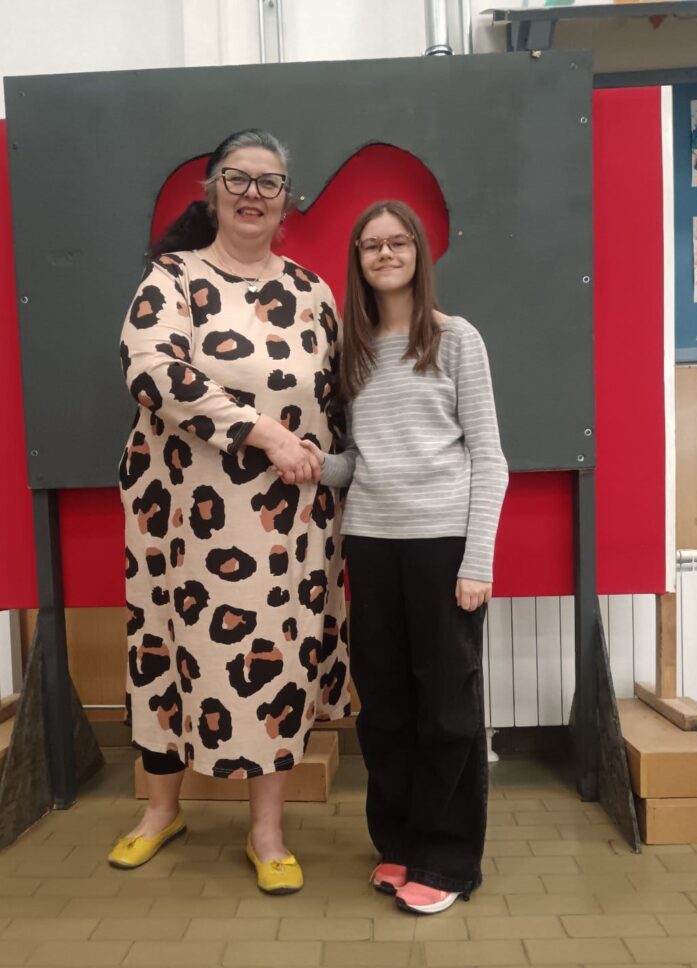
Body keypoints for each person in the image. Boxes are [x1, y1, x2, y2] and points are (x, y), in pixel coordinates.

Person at [108, 129, 351, 894]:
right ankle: (161, 811)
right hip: (179, 520)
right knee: (165, 653)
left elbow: (338, 401)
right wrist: (264, 432)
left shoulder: (313, 293)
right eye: (238, 179)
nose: (253, 194)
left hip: (286, 528)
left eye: (269, 182)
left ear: (287, 200)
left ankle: (267, 831)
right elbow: (151, 369)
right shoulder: (172, 278)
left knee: (274, 667)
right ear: (211, 191)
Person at [294, 200, 508, 914]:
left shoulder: (456, 339)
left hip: (443, 547)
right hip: (371, 546)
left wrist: (477, 562)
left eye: (397, 242)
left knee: (446, 709)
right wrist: (314, 464)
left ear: (418, 252)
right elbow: (360, 462)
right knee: (384, 706)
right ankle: (399, 841)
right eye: (370, 245)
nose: (385, 254)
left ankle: (447, 860)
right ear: (358, 261)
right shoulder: (352, 351)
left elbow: (489, 457)